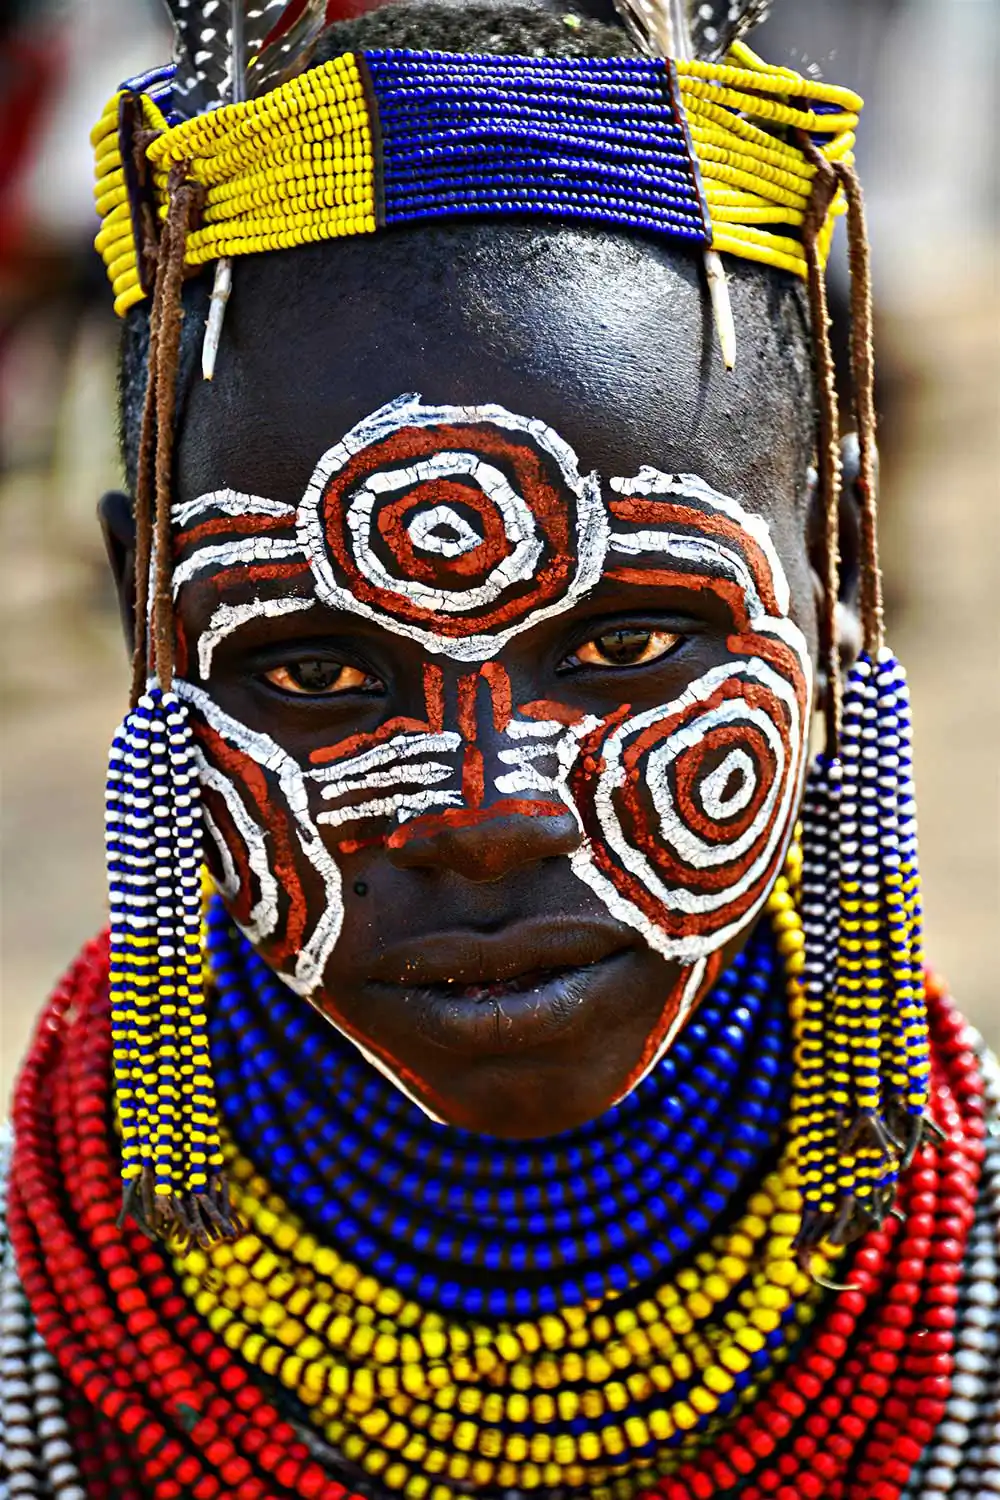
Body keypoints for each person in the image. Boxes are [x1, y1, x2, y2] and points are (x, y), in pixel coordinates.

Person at [2, 2, 997, 1498]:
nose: (484, 814)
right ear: (150, 619)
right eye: (318, 667)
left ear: (837, 563)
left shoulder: (963, 1286)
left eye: (625, 647)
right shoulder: (49, 1302)